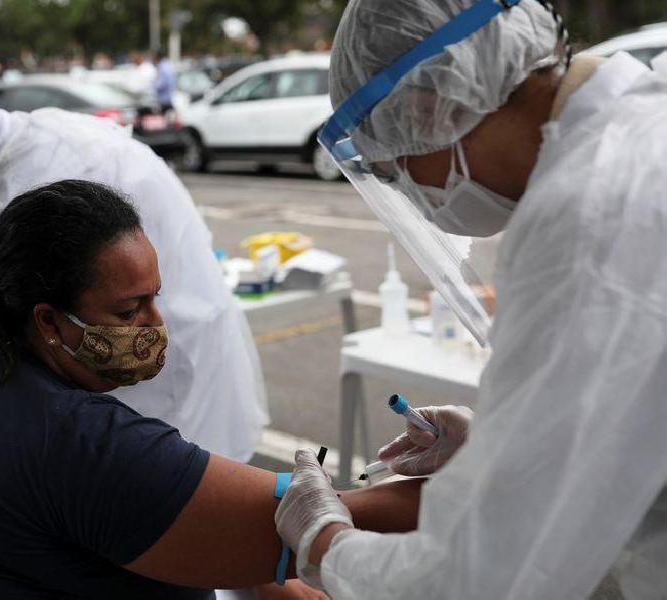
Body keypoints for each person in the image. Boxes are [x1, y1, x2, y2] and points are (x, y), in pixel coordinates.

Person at [274, 1, 667, 598]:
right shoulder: (642, 121)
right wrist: (506, 442)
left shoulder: (589, 220)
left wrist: (324, 543)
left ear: (431, 107)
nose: (411, 192)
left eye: (396, 168)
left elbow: (482, 577)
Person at [0, 179, 426, 598]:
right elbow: (353, 519)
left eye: (154, 299)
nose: (157, 324)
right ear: (49, 321)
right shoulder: (82, 443)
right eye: (128, 310)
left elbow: (205, 529)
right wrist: (480, 470)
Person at [0, 107, 267, 464]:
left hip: (164, 368)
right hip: (179, 330)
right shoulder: (33, 138)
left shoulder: (30, 178)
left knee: (177, 502)